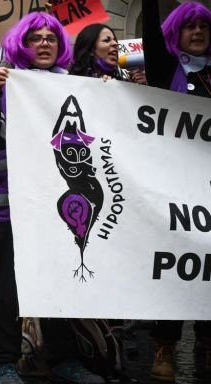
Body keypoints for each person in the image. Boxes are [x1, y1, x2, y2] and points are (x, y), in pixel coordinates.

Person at [0, 12, 105, 384]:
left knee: (58, 281)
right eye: (35, 38)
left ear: (60, 45)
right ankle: (2, 361)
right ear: (22, 45)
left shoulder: (74, 86)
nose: (44, 43)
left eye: (50, 37)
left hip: (59, 205)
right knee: (8, 287)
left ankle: (64, 357)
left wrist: (109, 93)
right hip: (13, 207)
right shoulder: (6, 83)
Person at [142, 1, 211, 381]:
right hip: (171, 191)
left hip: (209, 189)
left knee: (208, 268)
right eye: (189, 27)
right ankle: (164, 345)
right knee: (173, 270)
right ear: (176, 34)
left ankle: (207, 338)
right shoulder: (166, 69)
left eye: (204, 25)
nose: (198, 32)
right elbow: (152, 39)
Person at [69, 23, 146, 83]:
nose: (115, 43)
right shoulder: (69, 82)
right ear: (91, 50)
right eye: (106, 40)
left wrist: (139, 87)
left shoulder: (124, 84)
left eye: (115, 40)